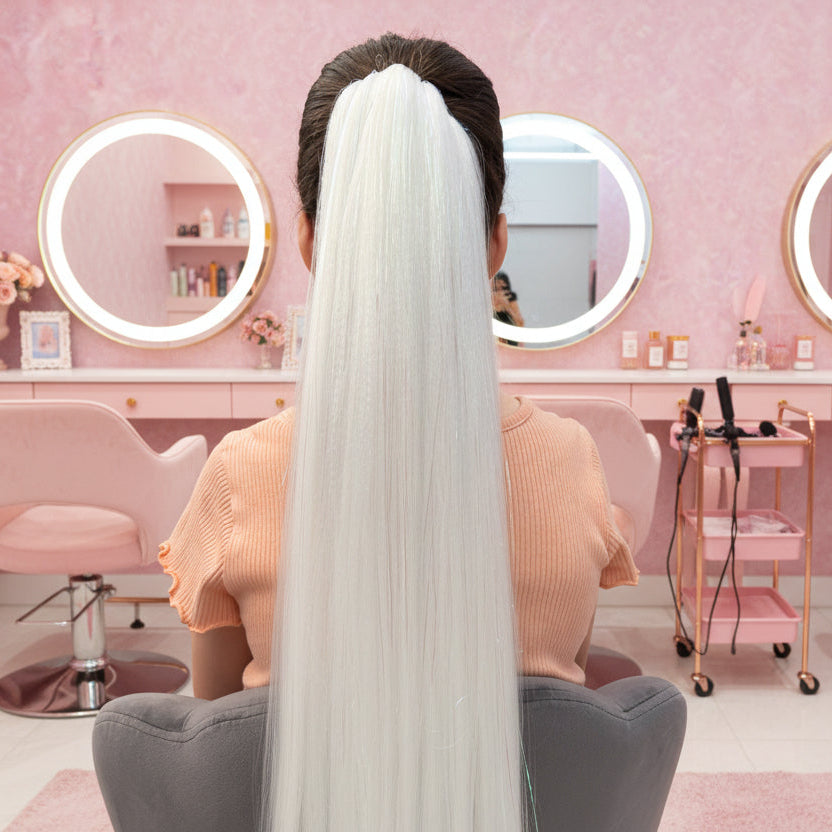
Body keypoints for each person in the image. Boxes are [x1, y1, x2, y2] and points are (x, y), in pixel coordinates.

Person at [160, 33, 636, 831]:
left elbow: (222, 735)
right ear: (495, 241)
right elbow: (564, 697)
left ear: (309, 241)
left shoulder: (240, 472)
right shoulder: (568, 460)